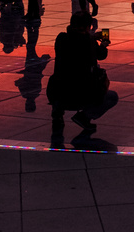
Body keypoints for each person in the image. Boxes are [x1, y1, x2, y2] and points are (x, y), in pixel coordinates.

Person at [48, 15, 117, 144]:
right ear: (87, 27)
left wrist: (91, 37)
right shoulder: (89, 42)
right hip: (82, 95)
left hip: (59, 92)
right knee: (112, 96)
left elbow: (76, 41)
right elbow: (101, 55)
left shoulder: (61, 38)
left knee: (63, 80)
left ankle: (57, 111)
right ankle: (84, 117)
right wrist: (102, 44)